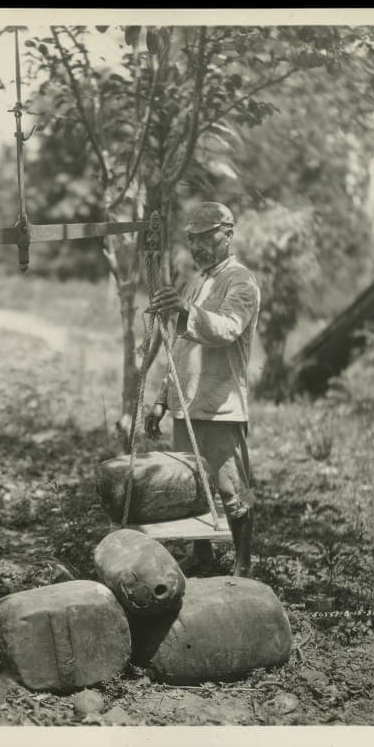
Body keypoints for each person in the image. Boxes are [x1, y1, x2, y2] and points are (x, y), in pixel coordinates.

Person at [145, 202, 261, 577]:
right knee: (192, 486)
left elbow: (227, 328)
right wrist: (162, 399)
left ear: (228, 234)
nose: (198, 246)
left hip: (219, 405)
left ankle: (243, 565)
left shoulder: (240, 282)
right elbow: (181, 348)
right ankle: (202, 556)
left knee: (233, 490)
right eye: (192, 239)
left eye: (206, 237)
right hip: (187, 403)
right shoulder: (200, 283)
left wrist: (184, 310)